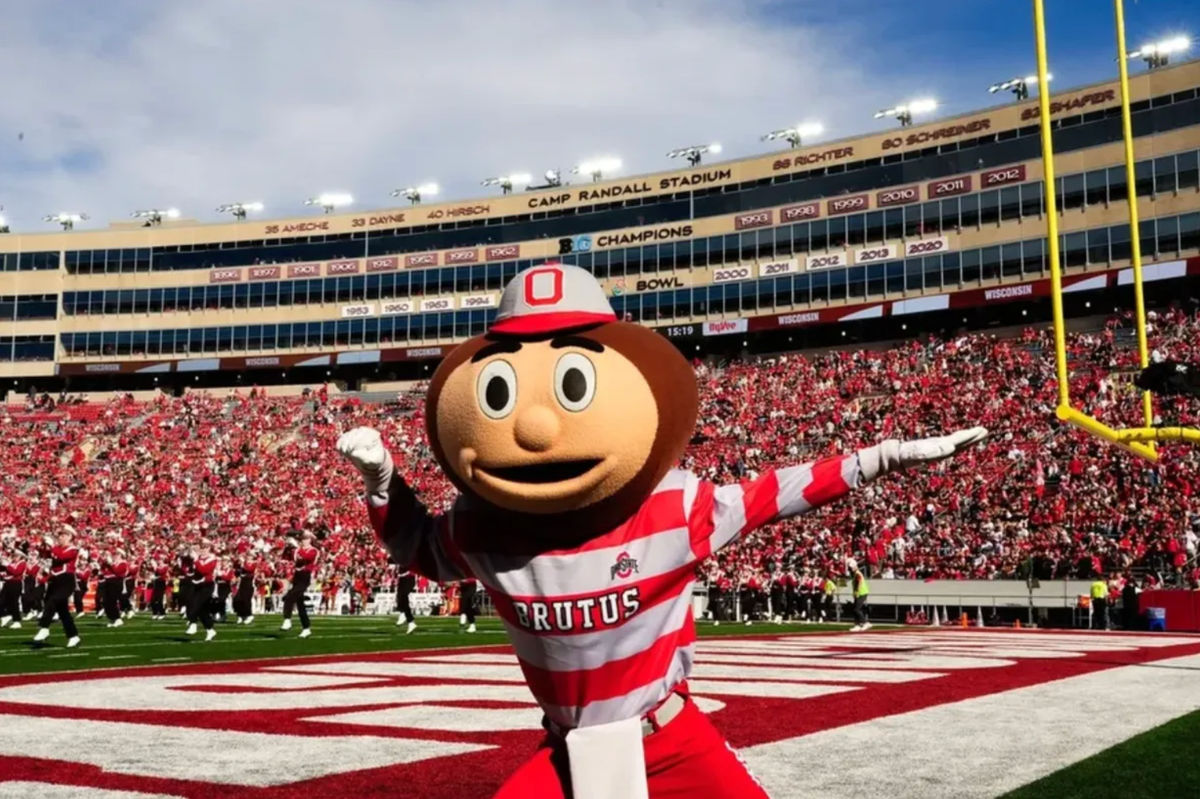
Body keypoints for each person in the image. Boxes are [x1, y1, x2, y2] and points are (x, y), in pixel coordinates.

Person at [336, 262, 987, 798]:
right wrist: (383, 483)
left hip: (670, 739)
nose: (534, 430)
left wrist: (887, 455)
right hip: (567, 748)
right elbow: (419, 547)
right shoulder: (487, 528)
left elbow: (779, 491)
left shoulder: (675, 505)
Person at [32, 530, 82, 648]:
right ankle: (74, 636)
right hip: (55, 581)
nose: (60, 537)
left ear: (70, 537)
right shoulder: (57, 548)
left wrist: (50, 548)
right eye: (60, 535)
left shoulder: (73, 550)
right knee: (63, 612)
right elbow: (46, 555)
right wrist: (44, 545)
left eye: (63, 535)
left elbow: (60, 557)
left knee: (52, 600)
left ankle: (44, 627)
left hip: (66, 581)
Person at [280, 531, 317, 638]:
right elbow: (286, 557)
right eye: (302, 539)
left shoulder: (313, 550)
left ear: (310, 540)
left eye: (305, 539)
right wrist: (288, 547)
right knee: (300, 605)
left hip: (305, 577)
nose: (303, 541)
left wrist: (295, 548)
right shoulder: (298, 550)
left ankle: (287, 620)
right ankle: (306, 628)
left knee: (290, 596)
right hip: (297, 576)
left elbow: (303, 559)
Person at [184, 542, 218, 642]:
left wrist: (195, 560)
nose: (203, 550)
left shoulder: (212, 559)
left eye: (205, 548)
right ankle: (210, 630)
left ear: (209, 549)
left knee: (195, 604)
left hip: (207, 586)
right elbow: (191, 571)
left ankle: (193, 623)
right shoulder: (198, 559)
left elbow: (204, 570)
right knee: (202, 610)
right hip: (197, 585)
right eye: (201, 548)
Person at [0, 551, 27, 629]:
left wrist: (7, 565)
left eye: (16, 556)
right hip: (8, 583)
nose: (14, 557)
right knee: (1, 601)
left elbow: (16, 572)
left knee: (14, 603)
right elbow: (5, 573)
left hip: (16, 584)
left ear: (20, 556)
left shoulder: (22, 563)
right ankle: (5, 616)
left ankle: (17, 621)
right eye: (13, 555)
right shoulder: (11, 562)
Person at [232, 557, 256, 624]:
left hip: (249, 586)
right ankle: (240, 615)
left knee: (246, 601)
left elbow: (249, 570)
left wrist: (242, 565)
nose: (248, 560)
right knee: (237, 600)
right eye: (247, 558)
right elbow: (236, 572)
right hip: (241, 586)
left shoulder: (253, 565)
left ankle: (249, 615)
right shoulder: (243, 566)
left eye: (250, 558)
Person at [849, 559, 871, 632]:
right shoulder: (856, 574)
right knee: (855, 609)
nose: (851, 568)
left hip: (862, 593)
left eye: (852, 567)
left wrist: (857, 592)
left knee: (857, 609)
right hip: (859, 593)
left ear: (855, 566)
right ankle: (857, 624)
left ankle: (865, 622)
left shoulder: (858, 573)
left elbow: (859, 582)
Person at [395, 567, 417, 633]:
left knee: (403, 596)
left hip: (408, 577)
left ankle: (403, 614)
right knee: (400, 597)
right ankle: (410, 622)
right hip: (402, 577)